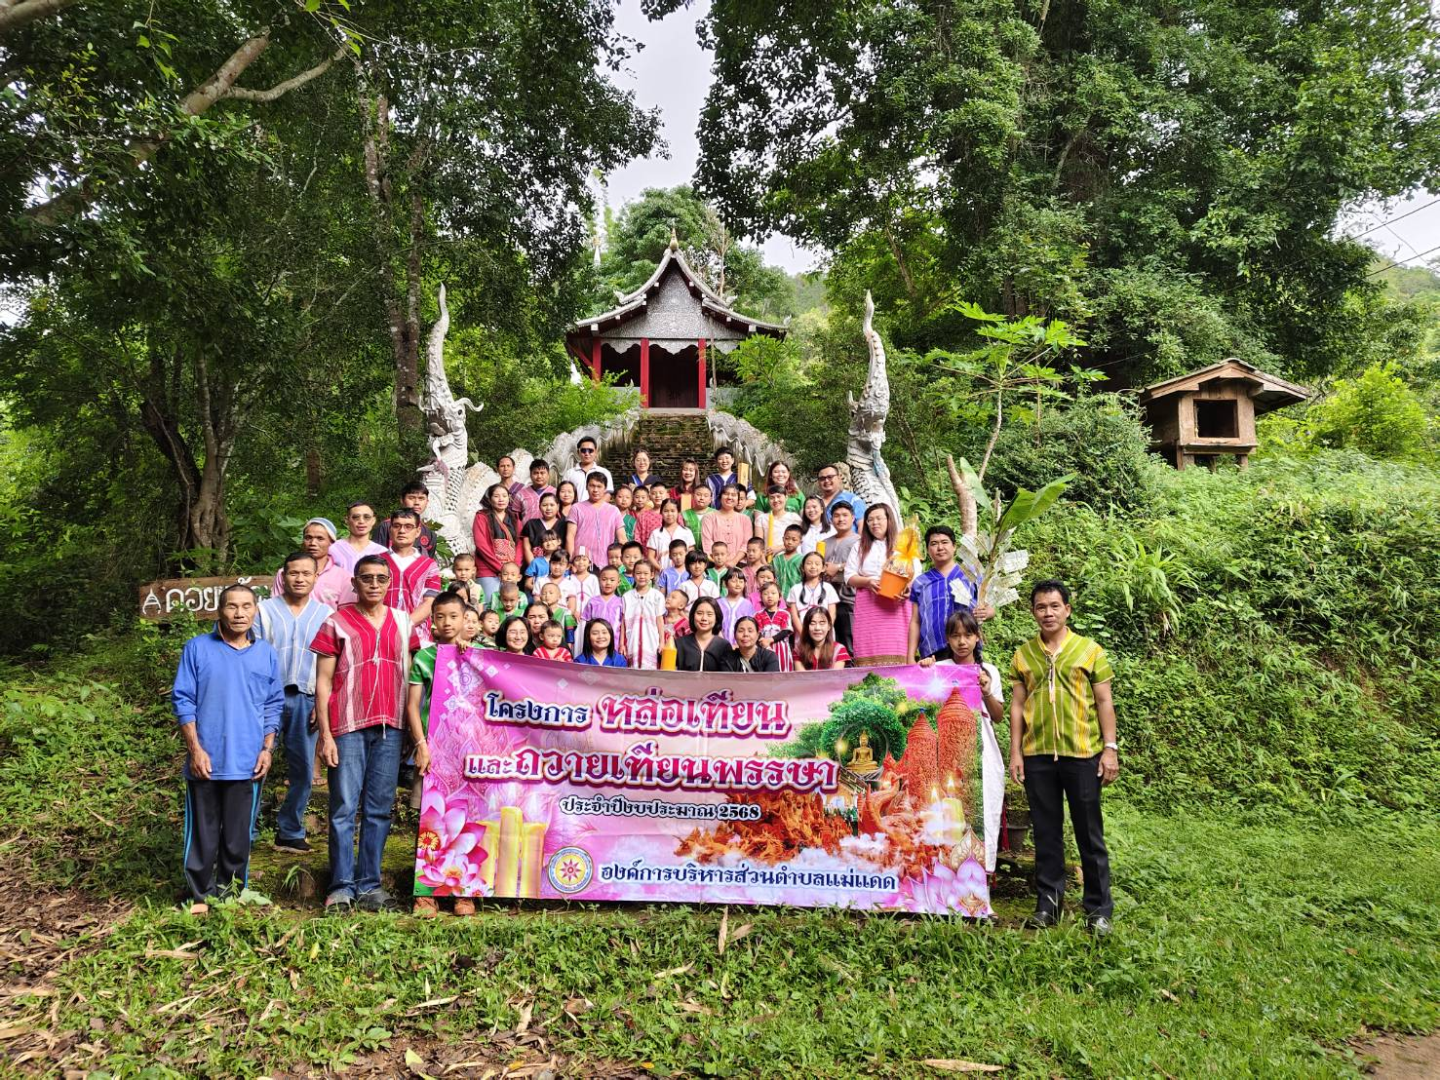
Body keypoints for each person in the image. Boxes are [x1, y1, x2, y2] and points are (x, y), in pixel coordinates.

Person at [1009, 580, 1119, 935]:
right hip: (1038, 754)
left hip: (1082, 754)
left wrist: (1110, 748)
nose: (1048, 613)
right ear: (1033, 612)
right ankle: (1048, 905)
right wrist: (1016, 752)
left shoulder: (1089, 650)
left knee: (1089, 832)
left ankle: (1098, 909)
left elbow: (1104, 700)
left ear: (1067, 610)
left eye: (1054, 606)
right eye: (1041, 607)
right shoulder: (1023, 655)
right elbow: (1017, 706)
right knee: (1046, 832)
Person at [310, 555, 414, 913]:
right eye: (366, 578)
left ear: (389, 583)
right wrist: (325, 735)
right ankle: (341, 887)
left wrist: (411, 732)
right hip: (348, 726)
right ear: (354, 584)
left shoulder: (403, 622)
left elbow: (416, 674)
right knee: (343, 807)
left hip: (391, 726)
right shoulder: (336, 622)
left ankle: (370, 885)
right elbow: (323, 683)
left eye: (381, 578)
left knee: (379, 808)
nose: (373, 584)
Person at [172, 585, 282, 912]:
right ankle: (199, 895)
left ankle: (231, 894)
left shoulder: (266, 653)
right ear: (220, 610)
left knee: (238, 835)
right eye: (232, 606)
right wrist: (195, 749)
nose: (239, 613)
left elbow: (273, 704)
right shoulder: (197, 648)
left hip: (248, 761)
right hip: (206, 760)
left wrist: (267, 749)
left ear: (255, 611)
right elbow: (183, 700)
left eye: (246, 606)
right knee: (202, 834)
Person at [255, 553, 334, 855]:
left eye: (306, 573)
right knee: (255, 764)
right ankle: (244, 830)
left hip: (307, 698)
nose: (299, 578)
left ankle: (289, 831)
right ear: (283, 576)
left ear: (316, 577)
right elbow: (252, 655)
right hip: (266, 699)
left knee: (303, 770)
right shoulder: (263, 611)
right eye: (293, 573)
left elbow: (331, 665)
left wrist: (321, 703)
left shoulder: (326, 614)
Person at [405, 592, 470, 918]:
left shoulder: (476, 656)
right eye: (440, 617)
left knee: (465, 820)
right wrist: (421, 745)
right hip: (432, 751)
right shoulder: (424, 657)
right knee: (430, 820)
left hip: (466, 753)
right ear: (432, 622)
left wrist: (469, 657)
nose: (446, 623)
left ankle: (461, 890)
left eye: (453, 616)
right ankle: (426, 893)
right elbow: (412, 706)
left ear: (465, 619)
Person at [908, 524, 992, 664]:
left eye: (944, 542)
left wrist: (986, 613)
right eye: (934, 544)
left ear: (954, 547)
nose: (940, 547)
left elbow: (990, 608)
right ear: (928, 550)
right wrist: (910, 656)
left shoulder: (971, 575)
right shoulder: (921, 582)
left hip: (966, 649)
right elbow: (915, 621)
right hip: (932, 653)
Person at [845, 503, 915, 666]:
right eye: (870, 520)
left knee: (898, 648)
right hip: (869, 603)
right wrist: (867, 582)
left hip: (897, 604)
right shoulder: (859, 546)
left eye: (878, 518)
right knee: (869, 648)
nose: (874, 523)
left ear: (889, 520)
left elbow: (915, 574)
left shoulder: (903, 545)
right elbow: (849, 576)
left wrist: (908, 588)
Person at [926, 610, 1006, 725]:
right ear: (947, 639)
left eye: (968, 635)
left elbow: (998, 718)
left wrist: (987, 693)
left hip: (983, 737)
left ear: (977, 636)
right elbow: (925, 708)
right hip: (948, 734)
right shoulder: (937, 669)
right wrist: (923, 672)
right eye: (955, 636)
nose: (962, 642)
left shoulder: (989, 671)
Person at [272, 518, 353, 609]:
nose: (313, 543)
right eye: (308, 538)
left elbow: (346, 613)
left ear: (331, 542)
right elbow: (276, 608)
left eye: (320, 538)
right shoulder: (285, 573)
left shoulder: (343, 577)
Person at [821, 502, 859, 653]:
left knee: (849, 638)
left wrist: (838, 567)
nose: (841, 519)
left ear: (853, 518)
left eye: (845, 515)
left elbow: (863, 564)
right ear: (831, 519)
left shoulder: (859, 541)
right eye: (836, 516)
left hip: (849, 597)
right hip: (826, 597)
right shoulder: (824, 543)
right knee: (829, 640)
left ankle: (851, 666)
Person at [472, 484, 519, 605]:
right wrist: (501, 568)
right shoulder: (481, 517)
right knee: (490, 605)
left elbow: (520, 545)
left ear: (509, 498)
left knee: (510, 606)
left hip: (510, 572)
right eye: (496, 496)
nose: (501, 499)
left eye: (504, 496)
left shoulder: (515, 518)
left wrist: (514, 568)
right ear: (489, 499)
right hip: (488, 569)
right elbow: (481, 545)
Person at [567, 472, 627, 568]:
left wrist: (624, 564)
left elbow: (622, 538)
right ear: (586, 487)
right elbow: (570, 536)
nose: (595, 490)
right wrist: (571, 561)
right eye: (592, 486)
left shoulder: (613, 510)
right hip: (581, 563)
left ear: (605, 488)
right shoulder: (576, 508)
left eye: (599, 486)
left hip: (606, 563)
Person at [374, 481, 441, 559]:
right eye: (411, 498)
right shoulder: (386, 526)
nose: (416, 503)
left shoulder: (430, 535)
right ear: (402, 500)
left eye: (421, 498)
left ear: (427, 502)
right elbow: (375, 558)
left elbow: (427, 563)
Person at [622, 559, 666, 669]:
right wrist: (622, 643)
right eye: (638, 573)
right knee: (633, 669)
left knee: (650, 669)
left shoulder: (657, 596)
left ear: (652, 575)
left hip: (651, 638)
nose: (642, 576)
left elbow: (660, 620)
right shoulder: (627, 596)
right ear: (633, 575)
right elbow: (623, 621)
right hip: (632, 638)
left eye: (646, 573)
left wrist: (662, 641)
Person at [675, 597, 732, 672]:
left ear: (716, 618)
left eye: (709, 614)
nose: (704, 618)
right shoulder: (680, 643)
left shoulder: (723, 646)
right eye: (699, 613)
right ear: (693, 616)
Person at [701, 484, 751, 568]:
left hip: (739, 566)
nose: (730, 497)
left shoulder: (745, 519)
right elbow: (707, 544)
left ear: (738, 499)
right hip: (714, 566)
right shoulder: (709, 518)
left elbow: (746, 544)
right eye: (726, 494)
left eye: (733, 495)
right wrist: (720, 563)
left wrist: (734, 561)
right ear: (720, 497)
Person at [579, 565, 625, 655]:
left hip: (614, 643)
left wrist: (621, 644)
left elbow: (623, 625)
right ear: (599, 581)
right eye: (604, 579)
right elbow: (587, 624)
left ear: (618, 582)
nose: (608, 583)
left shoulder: (621, 602)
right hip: (595, 643)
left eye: (612, 580)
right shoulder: (593, 601)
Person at [331, 502, 387, 574]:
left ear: (373, 520)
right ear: (346, 520)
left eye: (366, 517)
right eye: (356, 517)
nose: (361, 521)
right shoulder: (333, 548)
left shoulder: (382, 552)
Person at [788, 551, 838, 629]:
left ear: (823, 568)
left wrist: (826, 630)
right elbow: (794, 616)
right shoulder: (795, 589)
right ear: (802, 567)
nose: (813, 566)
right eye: (809, 563)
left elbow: (832, 613)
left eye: (817, 564)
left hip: (824, 631)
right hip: (802, 631)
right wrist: (803, 633)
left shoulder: (828, 588)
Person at [753, 580, 794, 672]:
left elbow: (785, 631)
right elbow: (757, 632)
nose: (769, 596)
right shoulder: (757, 615)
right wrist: (763, 642)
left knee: (783, 672)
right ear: (761, 597)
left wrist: (770, 640)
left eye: (773, 593)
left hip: (782, 649)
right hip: (764, 648)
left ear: (780, 597)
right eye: (765, 594)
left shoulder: (785, 614)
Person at [754, 485, 802, 558]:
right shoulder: (762, 519)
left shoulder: (794, 518)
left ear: (786, 498)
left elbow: (798, 541)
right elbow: (759, 544)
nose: (775, 500)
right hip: (768, 558)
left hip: (789, 557)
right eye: (772, 497)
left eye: (779, 496)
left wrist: (779, 548)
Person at [520, 492, 566, 567]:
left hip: (559, 567)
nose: (548, 508)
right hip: (535, 566)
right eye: (544, 505)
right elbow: (526, 548)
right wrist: (535, 567)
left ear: (558, 506)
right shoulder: (531, 524)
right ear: (539, 506)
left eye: (552, 505)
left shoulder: (564, 524)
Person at [815, 463, 866, 528]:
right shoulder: (814, 504)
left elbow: (862, 527)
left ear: (839, 478)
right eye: (822, 478)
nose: (826, 480)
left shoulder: (853, 500)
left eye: (830, 477)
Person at [716, 568, 755, 643]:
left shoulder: (747, 605)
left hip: (741, 644)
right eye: (734, 581)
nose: (738, 584)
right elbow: (715, 625)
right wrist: (723, 643)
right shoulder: (718, 603)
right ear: (725, 583)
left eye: (741, 582)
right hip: (720, 644)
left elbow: (750, 626)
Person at [771, 524, 806, 598]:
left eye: (794, 539)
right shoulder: (776, 559)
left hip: (796, 598)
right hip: (777, 599)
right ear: (783, 539)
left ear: (800, 542)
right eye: (787, 538)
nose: (789, 542)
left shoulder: (802, 560)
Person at [523, 529, 562, 594]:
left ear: (559, 541)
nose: (549, 543)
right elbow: (527, 584)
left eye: (552, 539)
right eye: (545, 541)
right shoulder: (536, 562)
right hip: (539, 596)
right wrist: (541, 591)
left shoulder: (563, 562)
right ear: (541, 545)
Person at [517, 458, 555, 524]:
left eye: (542, 473)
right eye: (536, 473)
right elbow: (515, 517)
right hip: (527, 530)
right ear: (530, 475)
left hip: (550, 530)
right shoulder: (521, 494)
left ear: (548, 475)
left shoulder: (555, 493)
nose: (539, 476)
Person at [496, 455, 526, 536]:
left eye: (508, 466)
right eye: (502, 466)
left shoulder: (522, 489)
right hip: (500, 530)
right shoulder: (494, 490)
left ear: (513, 468)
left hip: (520, 529)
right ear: (497, 469)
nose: (505, 468)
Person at [631, 487, 662, 555]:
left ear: (648, 498)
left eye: (643, 497)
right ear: (633, 498)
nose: (640, 500)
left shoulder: (650, 515)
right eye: (637, 497)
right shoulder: (630, 513)